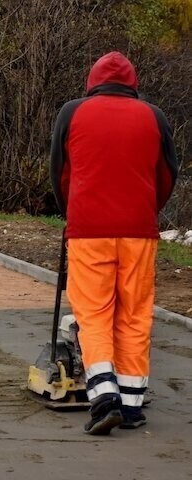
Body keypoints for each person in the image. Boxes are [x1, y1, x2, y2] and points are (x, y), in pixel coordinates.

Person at [50, 51, 178, 435]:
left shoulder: (72, 113)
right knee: (134, 314)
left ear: (93, 82)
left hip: (89, 230)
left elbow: (60, 172)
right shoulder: (154, 116)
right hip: (139, 231)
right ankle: (133, 405)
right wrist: (146, 210)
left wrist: (73, 212)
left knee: (94, 312)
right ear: (133, 85)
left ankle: (104, 396)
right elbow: (167, 174)